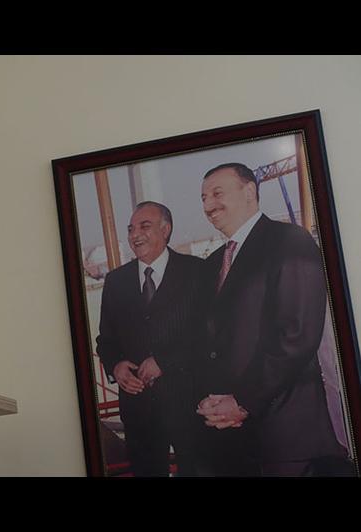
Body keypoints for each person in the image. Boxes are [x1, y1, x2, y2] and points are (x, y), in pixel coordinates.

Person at [195, 162, 348, 476]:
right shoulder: (213, 264)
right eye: (203, 198)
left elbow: (297, 335)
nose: (208, 205)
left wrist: (243, 401)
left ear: (249, 191)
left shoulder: (290, 240)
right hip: (232, 437)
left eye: (217, 193)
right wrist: (210, 401)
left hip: (286, 434)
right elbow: (212, 343)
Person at [96, 201, 203, 476]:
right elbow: (105, 340)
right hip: (138, 409)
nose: (135, 235)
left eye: (144, 226)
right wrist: (116, 366)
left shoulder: (197, 271)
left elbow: (208, 335)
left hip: (189, 403)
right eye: (131, 229)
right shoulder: (116, 281)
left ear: (165, 230)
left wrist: (165, 361)